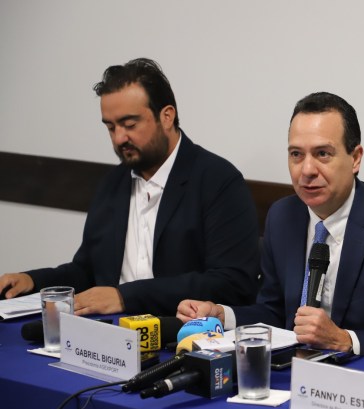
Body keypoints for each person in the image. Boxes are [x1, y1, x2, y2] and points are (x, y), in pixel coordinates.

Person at [178, 92, 364, 367]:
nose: (307, 169)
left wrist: (344, 340)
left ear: (355, 158)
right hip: (294, 378)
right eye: (296, 154)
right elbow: (275, 313)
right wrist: (223, 316)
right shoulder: (283, 217)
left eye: (322, 154)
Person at [0, 58, 259, 316]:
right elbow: (88, 271)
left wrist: (126, 297)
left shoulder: (218, 181)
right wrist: (33, 281)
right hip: (110, 334)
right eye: (110, 127)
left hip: (179, 335)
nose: (119, 138)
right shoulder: (113, 184)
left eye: (130, 125)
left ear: (166, 116)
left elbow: (232, 283)